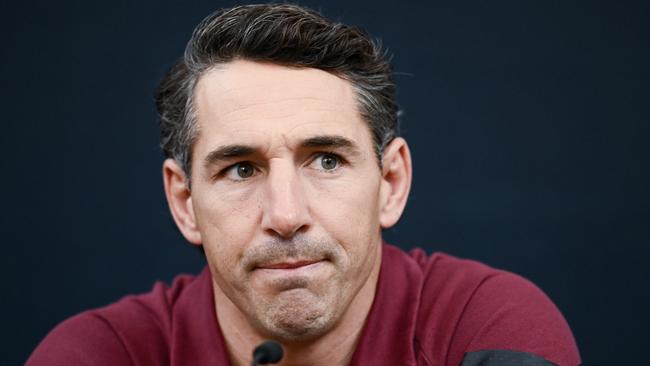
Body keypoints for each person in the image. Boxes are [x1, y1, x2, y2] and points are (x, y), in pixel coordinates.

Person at [27, 4, 580, 366]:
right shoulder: (97, 354)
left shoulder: (485, 327)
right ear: (184, 202)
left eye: (326, 161)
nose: (287, 215)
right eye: (241, 169)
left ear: (391, 182)